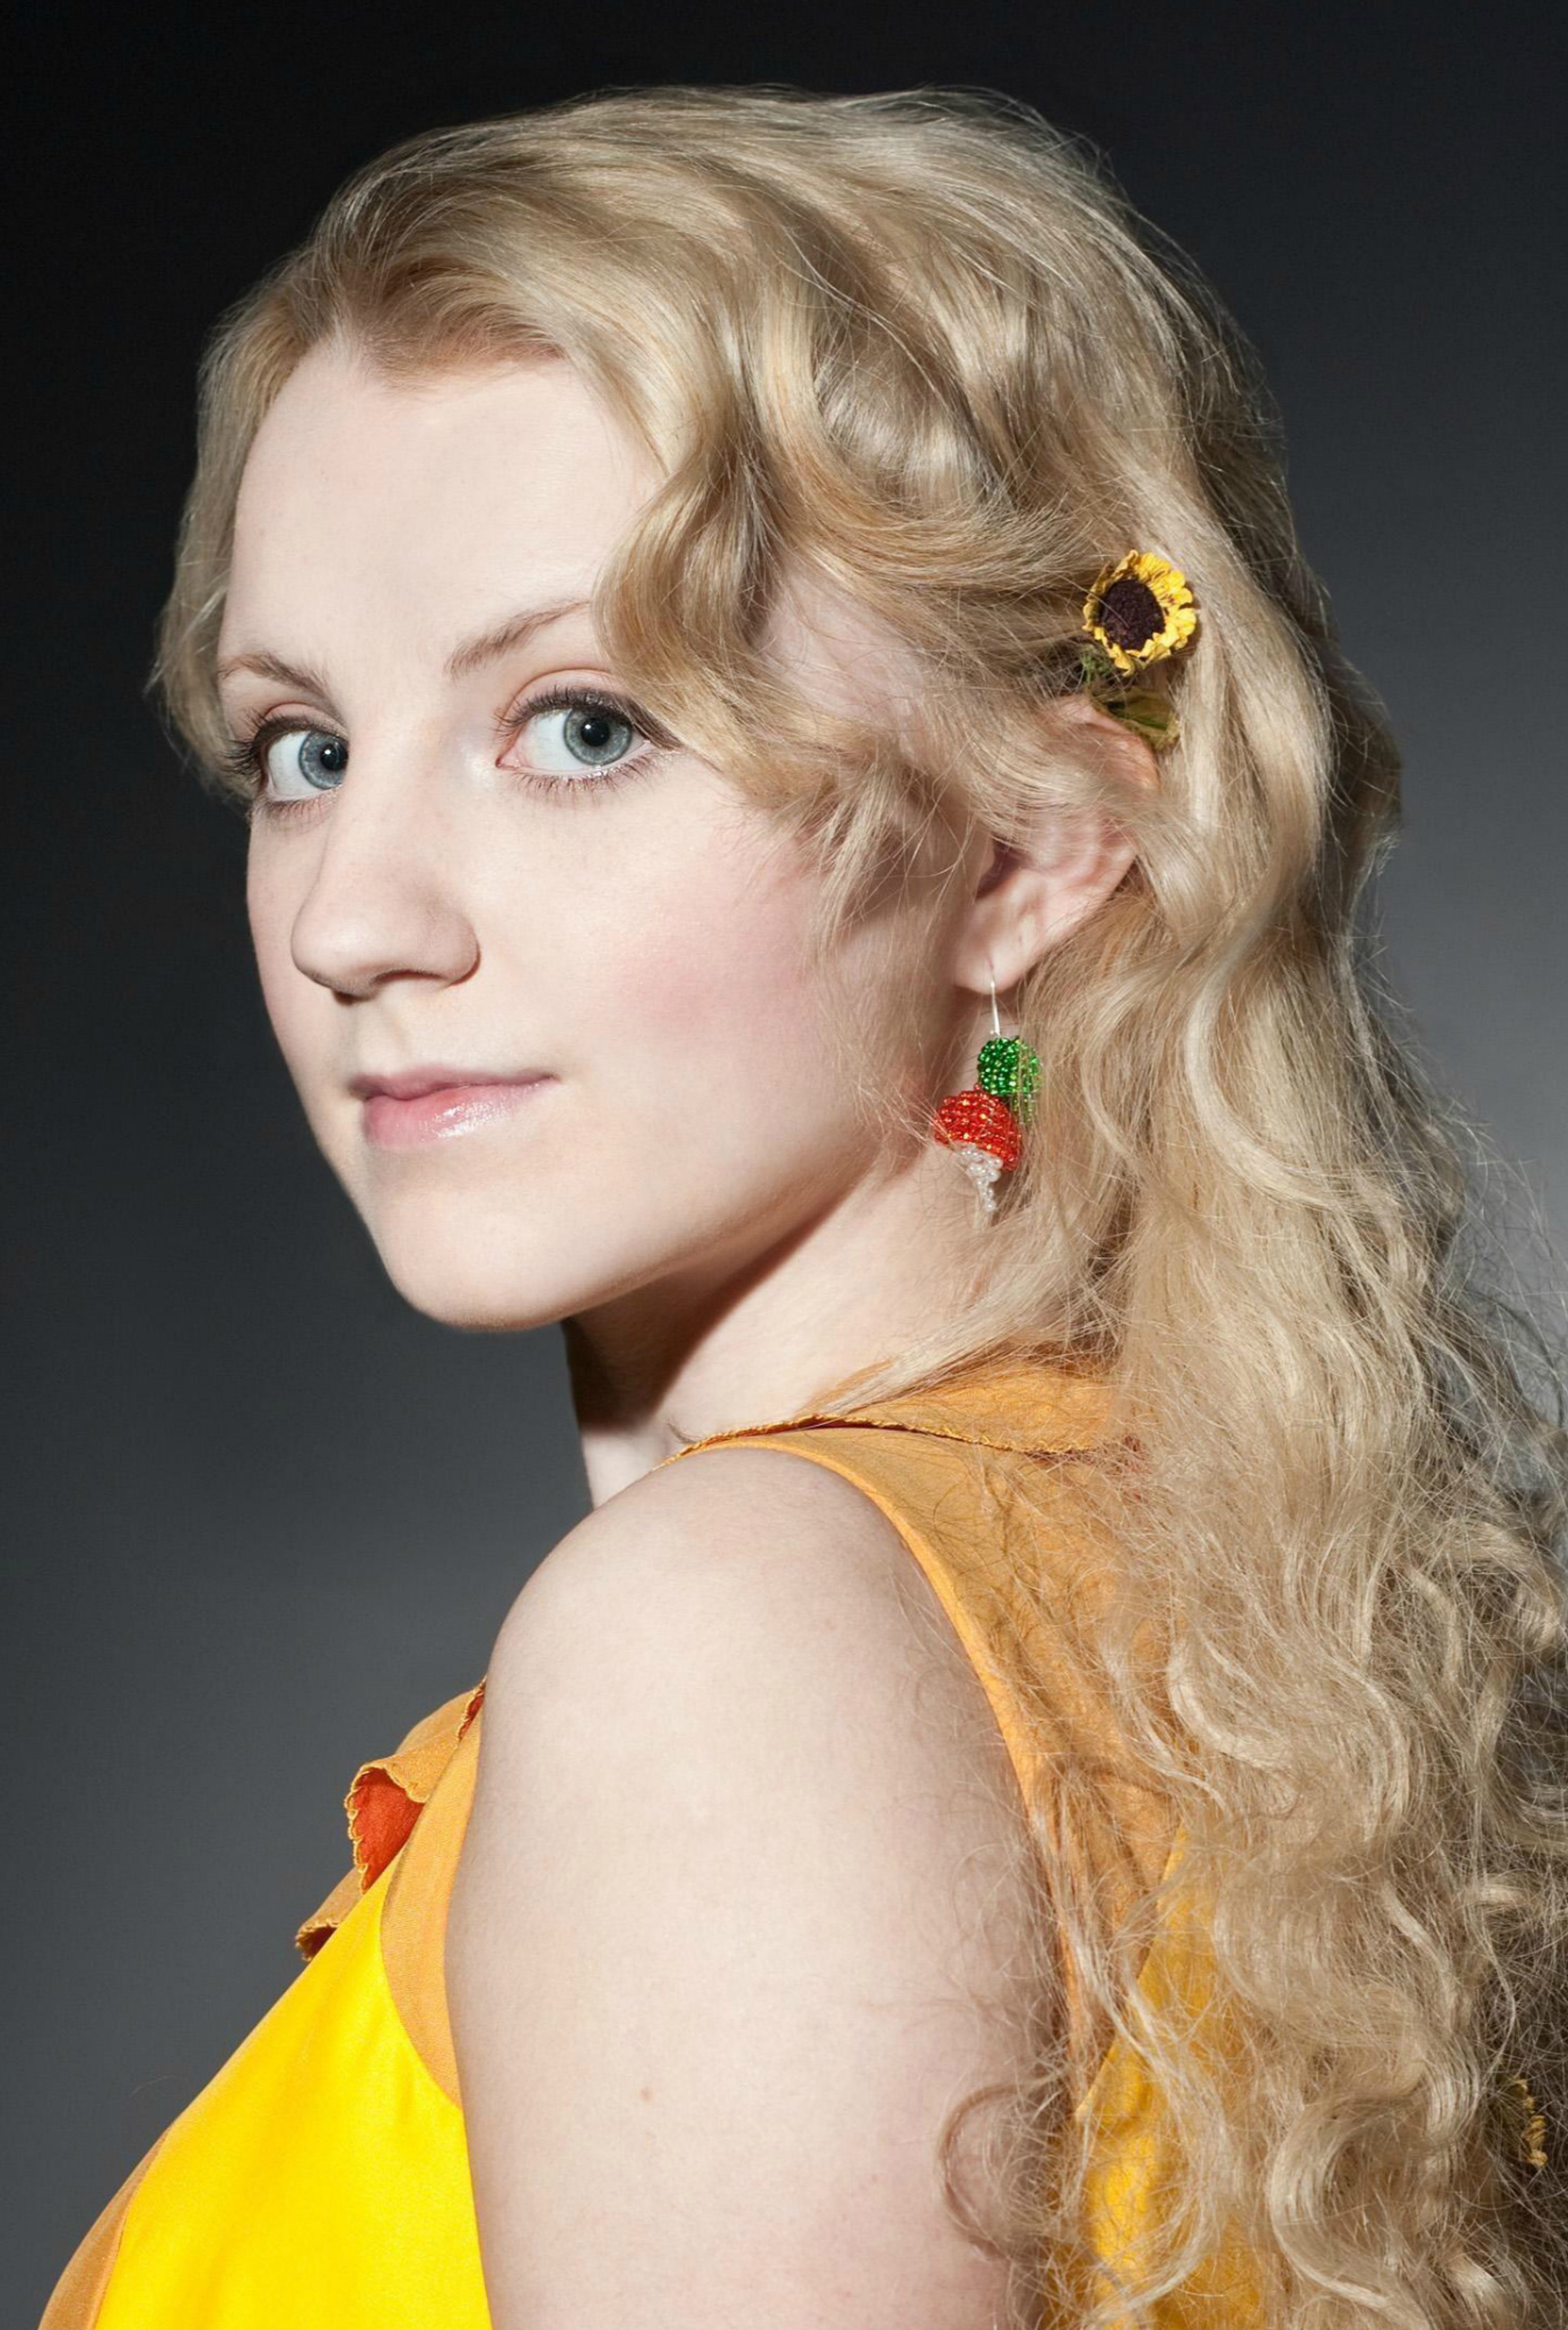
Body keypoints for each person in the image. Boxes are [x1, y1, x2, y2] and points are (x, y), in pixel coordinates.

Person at [41, 82, 1568, 2330]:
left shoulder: (726, 1652)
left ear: (1030, 845)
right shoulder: (1211, 1619)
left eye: (582, 725)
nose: (353, 918)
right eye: (303, 748)